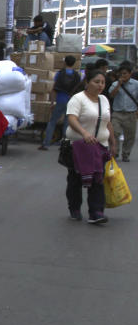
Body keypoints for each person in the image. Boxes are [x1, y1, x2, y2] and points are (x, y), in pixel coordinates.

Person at [65, 68, 116, 223]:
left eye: (103, 82)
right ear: (87, 82)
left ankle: (96, 212)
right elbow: (72, 119)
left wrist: (113, 142)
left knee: (98, 179)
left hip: (100, 147)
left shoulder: (104, 100)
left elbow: (107, 122)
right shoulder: (78, 99)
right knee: (75, 179)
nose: (100, 85)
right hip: (79, 147)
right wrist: (84, 133)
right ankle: (74, 208)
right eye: (96, 82)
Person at [40, 55, 81, 150]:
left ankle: (46, 143)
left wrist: (52, 103)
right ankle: (64, 144)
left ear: (65, 62)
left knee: (52, 121)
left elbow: (54, 89)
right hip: (72, 101)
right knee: (67, 123)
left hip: (60, 100)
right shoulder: (77, 75)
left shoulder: (60, 74)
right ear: (74, 63)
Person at [107, 62, 138, 162]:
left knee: (130, 136)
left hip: (131, 113)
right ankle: (115, 152)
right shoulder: (115, 84)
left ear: (130, 73)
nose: (123, 76)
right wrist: (119, 85)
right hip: (117, 113)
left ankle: (126, 153)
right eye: (121, 74)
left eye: (125, 73)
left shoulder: (136, 84)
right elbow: (111, 95)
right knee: (114, 133)